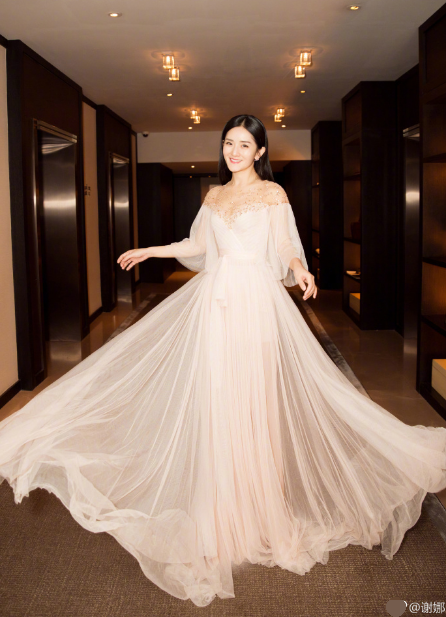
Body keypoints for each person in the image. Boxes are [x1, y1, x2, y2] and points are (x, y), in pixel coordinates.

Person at [0, 114, 445, 608]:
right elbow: (196, 246)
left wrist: (300, 269)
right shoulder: (213, 196)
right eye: (229, 142)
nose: (234, 151)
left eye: (244, 144)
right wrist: (149, 250)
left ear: (260, 152)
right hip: (215, 306)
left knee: (255, 402)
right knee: (218, 403)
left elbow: (285, 244)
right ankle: (220, 519)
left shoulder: (273, 193)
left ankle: (261, 515)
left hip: (256, 305)